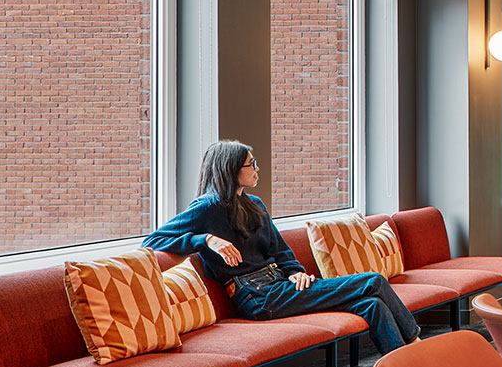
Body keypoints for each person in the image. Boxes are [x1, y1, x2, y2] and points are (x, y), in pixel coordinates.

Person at [145, 140, 420, 355]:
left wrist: (296, 272)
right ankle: (418, 347)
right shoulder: (207, 208)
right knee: (373, 281)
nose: (257, 169)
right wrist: (205, 240)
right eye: (250, 165)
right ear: (231, 170)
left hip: (281, 286)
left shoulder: (256, 205)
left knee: (372, 304)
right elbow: (153, 241)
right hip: (255, 297)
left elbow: (281, 250)